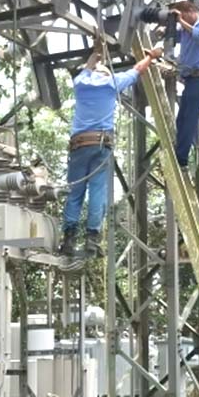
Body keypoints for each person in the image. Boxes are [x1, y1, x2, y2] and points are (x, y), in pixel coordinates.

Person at [60, 43, 162, 258]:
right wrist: (152, 56)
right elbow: (138, 69)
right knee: (97, 191)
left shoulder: (80, 83)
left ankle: (68, 240)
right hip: (100, 145)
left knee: (74, 193)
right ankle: (92, 239)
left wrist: (96, 54)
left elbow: (88, 67)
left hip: (79, 145)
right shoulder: (111, 83)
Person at [168, 0, 199, 169]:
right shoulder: (185, 30)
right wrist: (164, 27)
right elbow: (173, 36)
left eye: (182, 16)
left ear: (190, 11)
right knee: (182, 118)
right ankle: (180, 153)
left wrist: (180, 22)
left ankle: (181, 158)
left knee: (189, 117)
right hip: (192, 80)